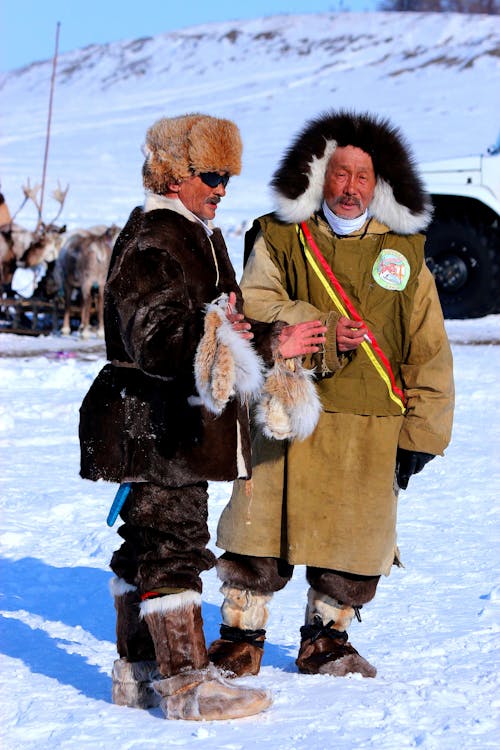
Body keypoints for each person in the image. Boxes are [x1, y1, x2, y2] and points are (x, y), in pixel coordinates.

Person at [78, 113, 326, 721]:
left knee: (148, 544)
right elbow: (156, 338)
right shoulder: (155, 240)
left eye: (228, 177)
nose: (221, 188)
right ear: (173, 175)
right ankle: (187, 683)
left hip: (177, 422)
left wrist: (275, 342)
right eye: (211, 175)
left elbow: (226, 331)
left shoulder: (200, 235)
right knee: (172, 543)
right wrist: (222, 333)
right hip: (155, 423)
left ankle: (138, 674)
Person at [208, 110, 455, 680]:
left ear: (381, 183)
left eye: (362, 177)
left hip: (370, 421)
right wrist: (320, 325)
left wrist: (421, 435)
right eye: (339, 175)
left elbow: (429, 350)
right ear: (318, 178)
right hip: (284, 414)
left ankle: (327, 641)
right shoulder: (280, 238)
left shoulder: (405, 255)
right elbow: (259, 304)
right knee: (260, 528)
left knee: (353, 536)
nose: (349, 189)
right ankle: (240, 637)